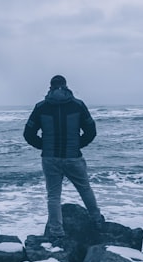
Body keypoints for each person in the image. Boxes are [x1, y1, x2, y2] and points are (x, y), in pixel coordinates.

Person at [24, 75, 104, 239]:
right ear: (66, 86)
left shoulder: (41, 107)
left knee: (53, 196)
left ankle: (56, 231)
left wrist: (43, 145)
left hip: (50, 158)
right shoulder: (78, 105)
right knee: (84, 189)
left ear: (50, 87)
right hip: (73, 156)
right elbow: (91, 131)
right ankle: (97, 220)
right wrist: (77, 145)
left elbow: (28, 133)